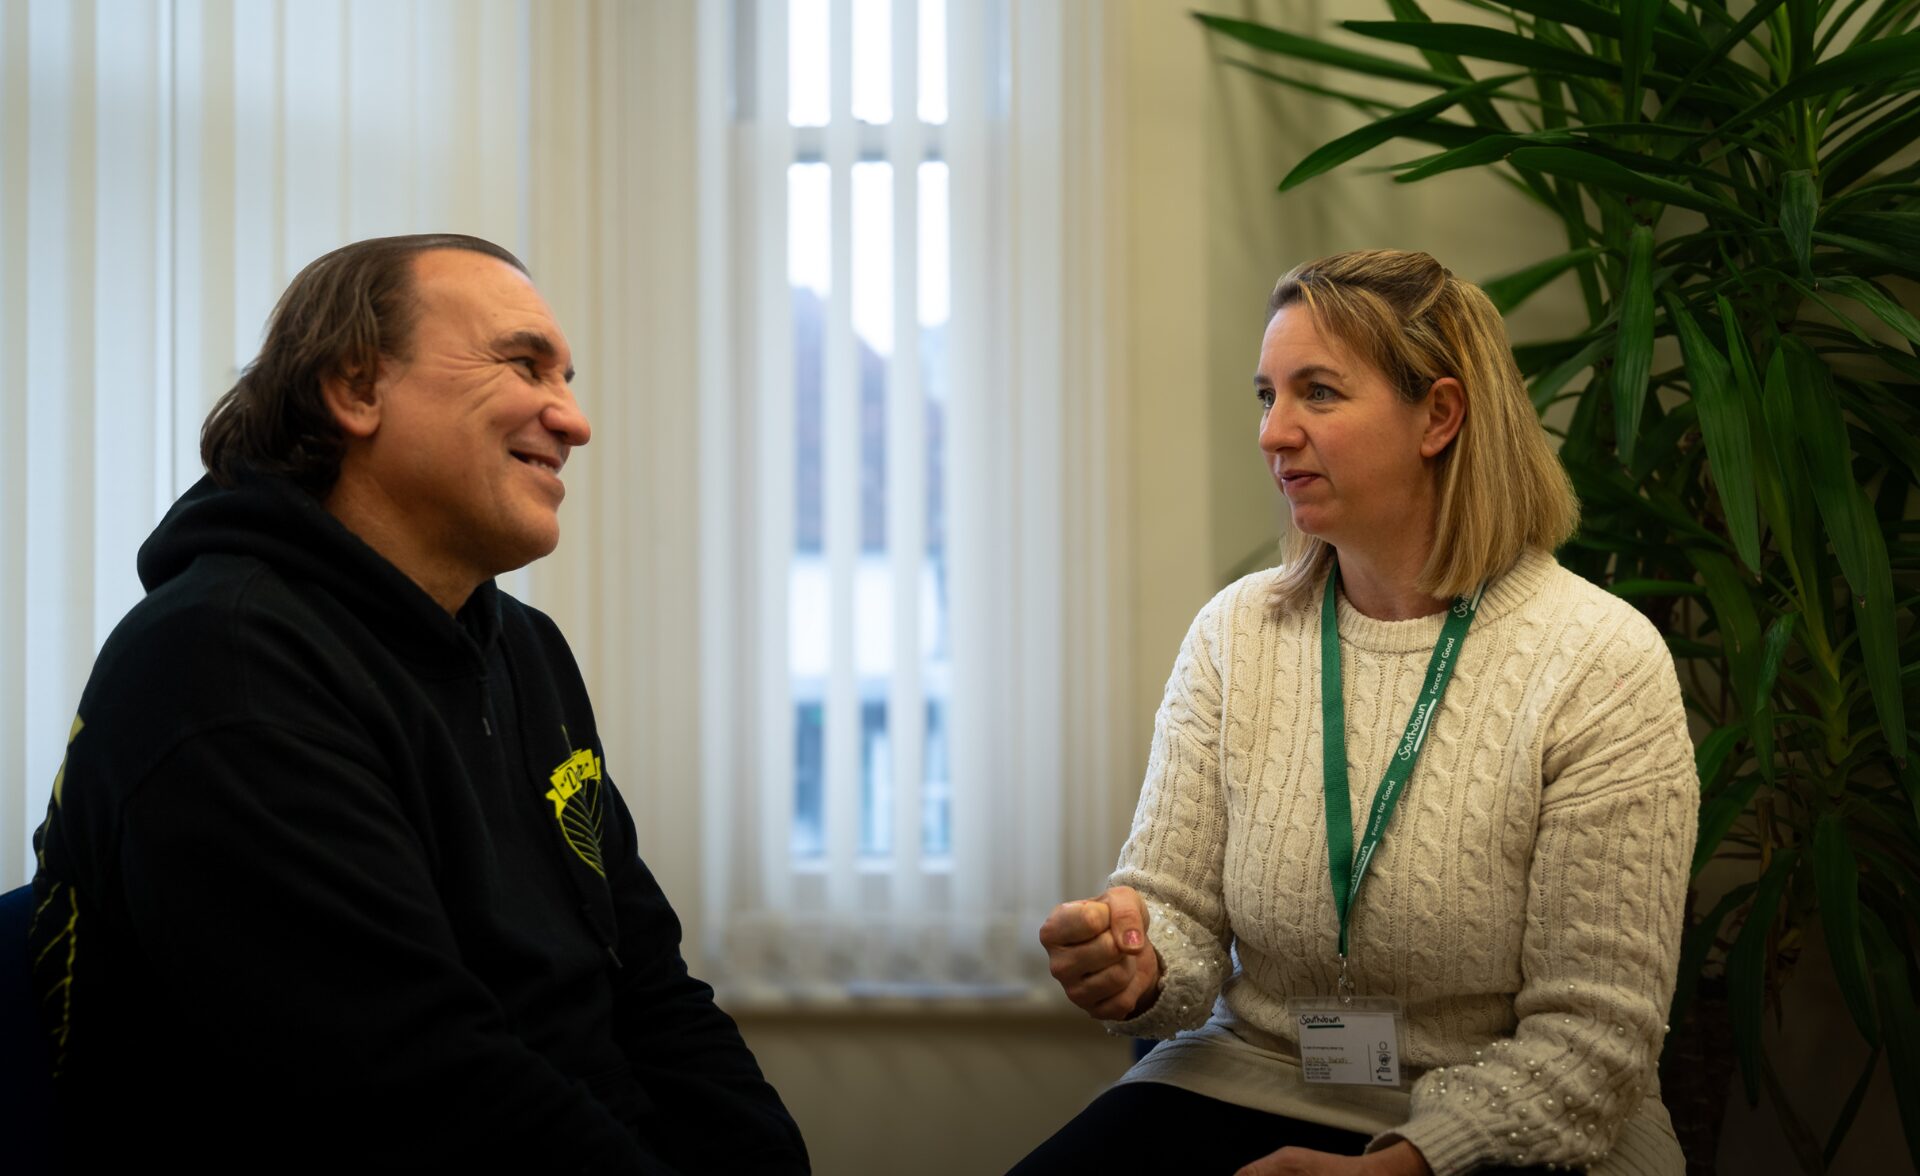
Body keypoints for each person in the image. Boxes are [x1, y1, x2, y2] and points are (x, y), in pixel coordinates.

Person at [28, 234, 809, 1174]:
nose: (575, 420)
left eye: (566, 376)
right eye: (525, 364)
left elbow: (643, 976)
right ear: (357, 391)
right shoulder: (220, 666)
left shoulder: (524, 650)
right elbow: (417, 1095)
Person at [1019, 250, 1695, 1176]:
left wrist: (1395, 1168)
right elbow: (1174, 918)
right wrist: (1135, 967)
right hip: (1253, 1073)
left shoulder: (1601, 662)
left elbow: (1594, 1042)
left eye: (1318, 394)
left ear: (1441, 416)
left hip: (1507, 1120)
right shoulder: (1237, 634)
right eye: (1267, 396)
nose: (1272, 432)